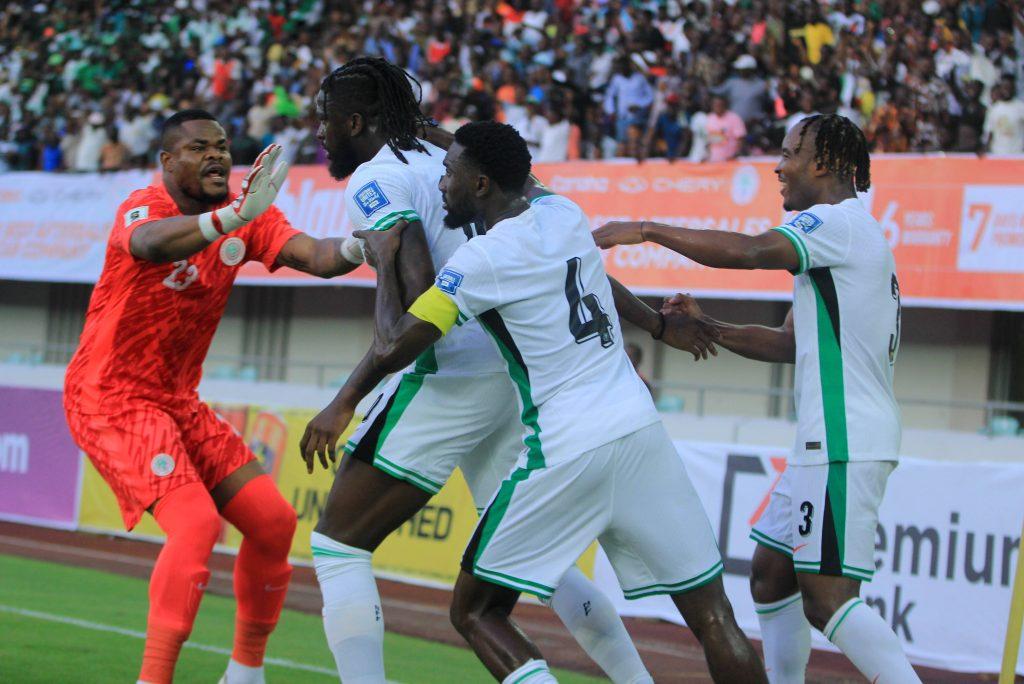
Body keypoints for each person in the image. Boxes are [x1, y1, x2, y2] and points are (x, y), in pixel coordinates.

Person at [299, 57, 715, 684]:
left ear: (354, 121)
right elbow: (577, 267)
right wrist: (655, 325)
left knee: (337, 544)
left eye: (324, 120)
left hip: (446, 375)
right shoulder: (455, 162)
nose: (319, 133)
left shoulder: (377, 178)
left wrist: (345, 398)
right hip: (517, 378)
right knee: (536, 562)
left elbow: (413, 305)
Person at [593, 114, 922, 684]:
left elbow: (746, 252)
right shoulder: (849, 236)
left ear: (823, 164)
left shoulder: (836, 223)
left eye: (791, 152)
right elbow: (793, 343)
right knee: (772, 573)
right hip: (828, 438)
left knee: (828, 600)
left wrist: (645, 229)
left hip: (845, 439)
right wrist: (710, 328)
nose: (778, 165)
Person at [63, 109, 364, 684]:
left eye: (222, 146)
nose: (217, 156)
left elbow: (316, 257)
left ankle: (245, 674)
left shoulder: (248, 217)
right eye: (199, 148)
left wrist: (362, 246)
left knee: (275, 524)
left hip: (178, 402)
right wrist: (230, 217)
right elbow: (150, 245)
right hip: (109, 395)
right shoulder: (147, 206)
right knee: (196, 524)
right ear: (167, 162)